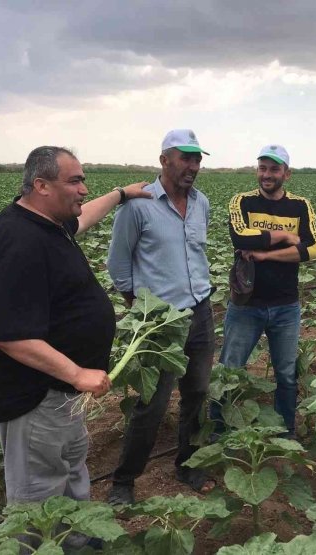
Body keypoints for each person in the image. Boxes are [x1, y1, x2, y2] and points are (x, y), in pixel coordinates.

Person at [0, 146, 150, 549]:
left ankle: (77, 540)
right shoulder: (18, 242)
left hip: (57, 396)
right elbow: (9, 333)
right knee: (38, 495)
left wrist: (122, 193)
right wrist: (76, 373)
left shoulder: (47, 222)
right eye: (75, 181)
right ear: (41, 185)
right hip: (32, 396)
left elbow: (83, 217)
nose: (84, 189)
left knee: (69, 469)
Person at [105, 129, 216, 505]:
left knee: (197, 393)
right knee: (151, 403)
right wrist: (142, 307)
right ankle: (124, 481)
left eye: (197, 158)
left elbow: (195, 256)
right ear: (164, 159)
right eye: (185, 157)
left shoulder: (202, 204)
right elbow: (118, 265)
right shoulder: (138, 206)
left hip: (201, 311)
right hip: (161, 320)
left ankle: (188, 464)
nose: (192, 165)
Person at [215, 144, 316, 437]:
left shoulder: (300, 205)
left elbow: (314, 248)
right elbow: (239, 236)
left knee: (286, 375)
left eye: (274, 169)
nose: (266, 174)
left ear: (286, 174)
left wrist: (265, 254)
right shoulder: (243, 202)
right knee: (228, 371)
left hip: (286, 305)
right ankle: (217, 432)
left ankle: (285, 432)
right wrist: (286, 237)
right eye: (262, 167)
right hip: (246, 303)